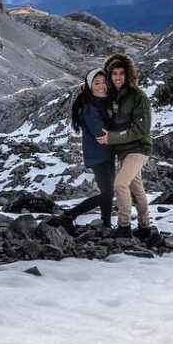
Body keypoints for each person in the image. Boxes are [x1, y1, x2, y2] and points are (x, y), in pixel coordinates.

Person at [51, 67, 116, 229]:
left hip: (107, 153)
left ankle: (106, 224)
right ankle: (70, 215)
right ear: (89, 86)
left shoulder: (100, 101)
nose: (102, 86)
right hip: (97, 155)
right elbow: (100, 133)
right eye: (96, 83)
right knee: (108, 193)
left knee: (108, 192)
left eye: (103, 82)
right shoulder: (89, 106)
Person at [97, 52, 154, 239]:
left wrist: (112, 138)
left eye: (122, 73)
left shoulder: (138, 96)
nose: (118, 77)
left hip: (138, 148)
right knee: (137, 189)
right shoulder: (111, 96)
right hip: (123, 151)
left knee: (121, 184)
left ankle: (124, 228)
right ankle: (145, 228)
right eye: (114, 74)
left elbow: (141, 129)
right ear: (109, 75)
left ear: (128, 74)